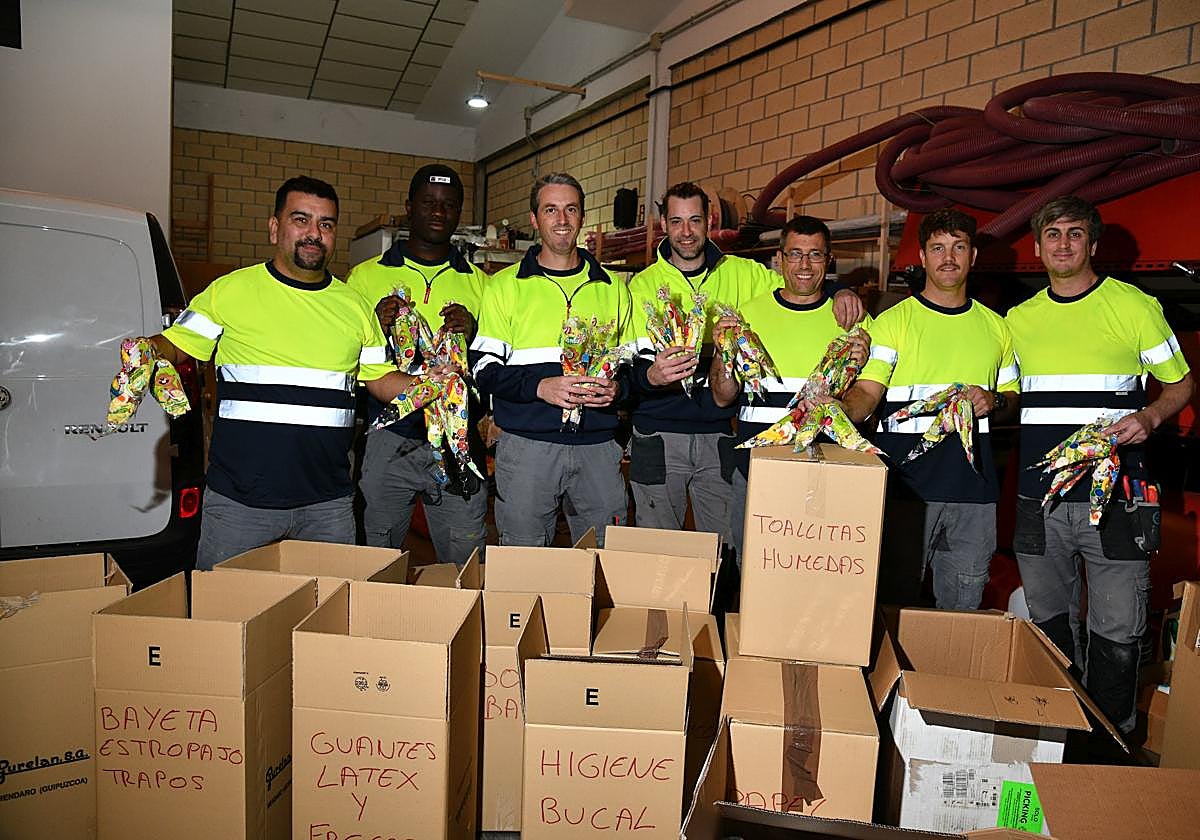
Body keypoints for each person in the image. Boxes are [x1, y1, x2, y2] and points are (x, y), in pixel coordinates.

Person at [140, 176, 431, 570]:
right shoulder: (230, 292)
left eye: (326, 224)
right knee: (225, 616)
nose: (314, 234)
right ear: (275, 227)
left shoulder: (355, 306)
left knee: (327, 615)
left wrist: (437, 387)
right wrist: (146, 350)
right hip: (240, 504)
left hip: (327, 506)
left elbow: (379, 380)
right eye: (301, 220)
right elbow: (177, 345)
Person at [1007, 195, 1193, 734]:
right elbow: (1006, 394)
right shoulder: (1019, 321)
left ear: (1092, 242)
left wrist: (1152, 417)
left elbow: (1181, 385)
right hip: (1038, 500)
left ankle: (1112, 739)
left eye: (1073, 233)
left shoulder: (1133, 307)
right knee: (1048, 625)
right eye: (1052, 235)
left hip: (1115, 500)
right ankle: (1059, 731)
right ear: (1038, 247)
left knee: (1117, 629)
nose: (1062, 244)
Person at [627, 182, 863, 544]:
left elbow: (799, 282)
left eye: (695, 220)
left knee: (724, 548)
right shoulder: (641, 287)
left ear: (709, 222)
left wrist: (840, 291)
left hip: (719, 434)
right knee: (657, 548)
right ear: (663, 224)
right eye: (676, 221)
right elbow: (628, 371)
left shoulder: (744, 275)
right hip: (658, 435)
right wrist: (651, 376)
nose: (686, 232)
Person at [840, 208, 1020, 610]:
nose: (949, 257)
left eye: (958, 247)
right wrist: (835, 409)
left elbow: (1013, 399)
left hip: (973, 496)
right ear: (922, 257)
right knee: (891, 605)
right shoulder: (893, 322)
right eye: (938, 248)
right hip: (906, 492)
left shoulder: (997, 327)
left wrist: (995, 401)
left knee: (962, 613)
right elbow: (867, 395)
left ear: (973, 256)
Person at [470, 172, 633, 546]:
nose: (562, 220)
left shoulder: (613, 288)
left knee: (606, 559)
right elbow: (483, 370)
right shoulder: (504, 287)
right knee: (524, 561)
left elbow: (637, 370)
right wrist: (540, 386)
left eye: (570, 209)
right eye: (551, 210)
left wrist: (618, 389)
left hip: (597, 450)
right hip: (527, 449)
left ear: (582, 216)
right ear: (534, 219)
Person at [345, 164, 488, 566]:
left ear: (459, 213)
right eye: (428, 203)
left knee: (464, 563)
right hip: (389, 439)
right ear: (409, 208)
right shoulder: (364, 278)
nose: (438, 212)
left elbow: (493, 366)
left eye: (449, 205)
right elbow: (346, 360)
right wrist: (373, 323)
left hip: (458, 443)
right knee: (375, 559)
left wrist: (473, 333)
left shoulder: (482, 284)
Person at [709, 215, 871, 558]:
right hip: (755, 473)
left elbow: (868, 398)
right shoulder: (748, 315)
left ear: (828, 261)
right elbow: (723, 397)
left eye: (815, 255)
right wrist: (724, 350)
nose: (804, 265)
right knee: (750, 571)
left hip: (826, 475)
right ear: (779, 259)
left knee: (816, 573)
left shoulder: (852, 320)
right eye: (795, 254)